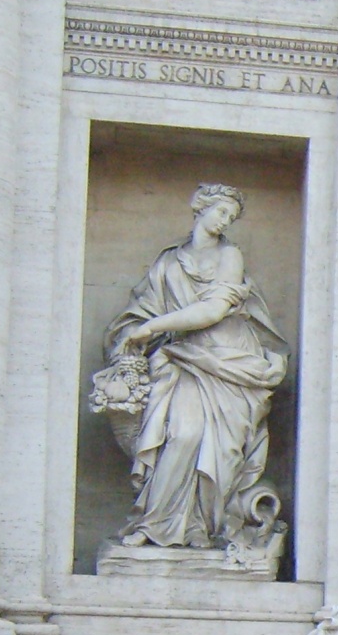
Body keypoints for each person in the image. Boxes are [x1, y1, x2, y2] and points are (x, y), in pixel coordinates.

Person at [104, 184, 289, 551]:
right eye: (221, 212)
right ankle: (155, 523)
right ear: (200, 208)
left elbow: (213, 311)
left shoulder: (230, 256)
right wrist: (135, 332)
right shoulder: (168, 263)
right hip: (184, 358)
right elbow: (141, 309)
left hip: (228, 360)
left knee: (221, 450)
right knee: (184, 435)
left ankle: (200, 527)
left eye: (231, 217)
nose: (225, 221)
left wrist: (153, 328)